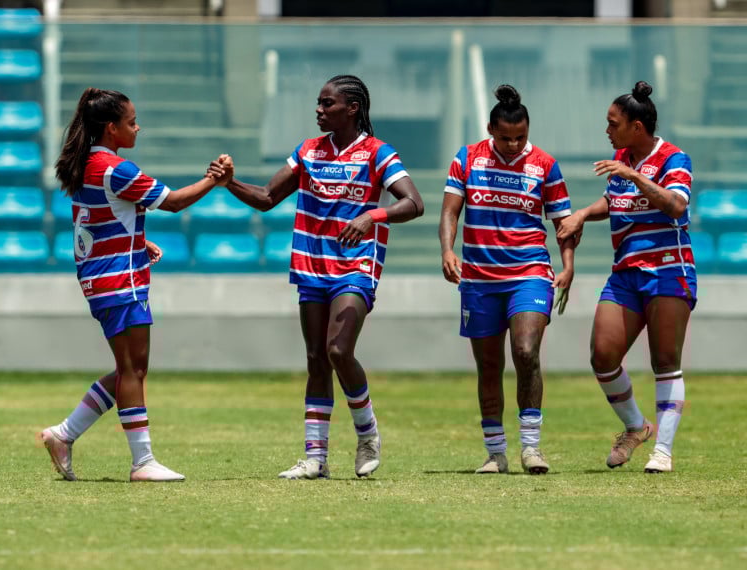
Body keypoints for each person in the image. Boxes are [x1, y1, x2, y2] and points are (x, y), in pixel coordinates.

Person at [223, 74, 424, 480]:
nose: (318, 110)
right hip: (311, 265)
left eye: (327, 104)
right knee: (316, 359)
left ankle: (367, 433)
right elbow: (266, 198)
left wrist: (371, 216)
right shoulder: (308, 151)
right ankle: (315, 458)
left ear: (352, 108)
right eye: (318, 103)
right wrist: (228, 183)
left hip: (355, 265)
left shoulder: (377, 153)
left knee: (337, 350)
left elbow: (413, 202)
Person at [39, 87, 233, 482]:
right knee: (133, 370)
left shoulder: (86, 164)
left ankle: (64, 434)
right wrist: (214, 179)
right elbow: (175, 202)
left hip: (99, 277)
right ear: (111, 129)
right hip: (118, 280)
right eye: (131, 122)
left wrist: (138, 240)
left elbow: (96, 218)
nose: (137, 127)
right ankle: (142, 462)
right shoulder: (116, 169)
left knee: (128, 368)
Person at [556, 81, 694, 474]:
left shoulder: (673, 158)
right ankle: (636, 427)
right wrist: (582, 213)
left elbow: (674, 205)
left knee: (665, 360)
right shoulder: (622, 157)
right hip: (626, 273)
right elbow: (614, 200)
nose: (607, 130)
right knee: (603, 355)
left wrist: (633, 177)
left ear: (637, 126)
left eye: (613, 123)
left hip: (668, 270)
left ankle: (662, 452)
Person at [439, 84, 575, 475]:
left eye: (521, 138)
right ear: (490, 130)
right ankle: (495, 453)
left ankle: (531, 448)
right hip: (479, 278)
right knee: (489, 366)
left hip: (528, 272)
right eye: (505, 138)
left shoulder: (545, 165)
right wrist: (448, 250)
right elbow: (450, 213)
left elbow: (563, 223)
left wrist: (568, 264)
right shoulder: (466, 159)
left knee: (526, 351)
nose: (514, 145)